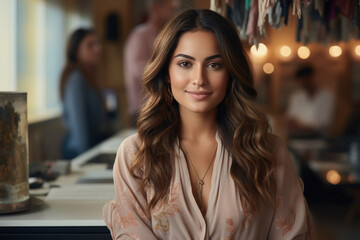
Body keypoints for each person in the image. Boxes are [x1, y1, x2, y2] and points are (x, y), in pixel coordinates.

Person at [104, 9, 312, 239]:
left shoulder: (267, 151)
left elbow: (293, 234)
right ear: (166, 73)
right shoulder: (135, 156)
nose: (199, 79)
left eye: (214, 65)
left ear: (231, 73)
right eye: (185, 64)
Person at [124, 0, 179, 126]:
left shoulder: (164, 36)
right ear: (156, 8)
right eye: (171, 9)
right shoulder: (139, 35)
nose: (174, 14)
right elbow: (142, 72)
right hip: (144, 111)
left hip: (163, 110)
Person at [60, 28, 108, 159]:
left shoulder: (89, 76)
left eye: (97, 43)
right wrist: (86, 160)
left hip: (89, 146)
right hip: (78, 150)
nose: (98, 48)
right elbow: (79, 124)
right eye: (90, 45)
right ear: (76, 51)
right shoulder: (76, 78)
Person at [286, 65, 335, 137]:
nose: (303, 82)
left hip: (320, 139)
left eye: (305, 79)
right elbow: (291, 119)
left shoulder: (327, 96)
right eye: (301, 79)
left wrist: (304, 127)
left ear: (312, 77)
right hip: (299, 138)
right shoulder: (296, 97)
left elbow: (325, 122)